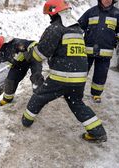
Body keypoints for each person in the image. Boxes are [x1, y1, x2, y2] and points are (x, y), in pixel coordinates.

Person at [21, 0, 107, 143]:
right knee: (76, 103)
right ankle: (97, 131)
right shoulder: (77, 30)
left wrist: (29, 52)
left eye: (49, 14)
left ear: (54, 13)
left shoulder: (56, 28)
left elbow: (40, 54)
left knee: (39, 97)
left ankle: (26, 121)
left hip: (62, 77)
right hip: (79, 78)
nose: (49, 17)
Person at [0, 34, 44, 106]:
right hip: (19, 64)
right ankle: (7, 99)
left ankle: (40, 95)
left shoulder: (15, 43)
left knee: (36, 76)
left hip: (32, 59)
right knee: (10, 81)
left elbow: (32, 43)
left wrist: (31, 50)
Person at [78, 0, 119, 103]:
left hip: (105, 53)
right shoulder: (91, 12)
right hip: (87, 51)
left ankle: (96, 94)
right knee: (81, 73)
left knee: (100, 75)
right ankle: (76, 92)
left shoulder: (118, 14)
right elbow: (79, 26)